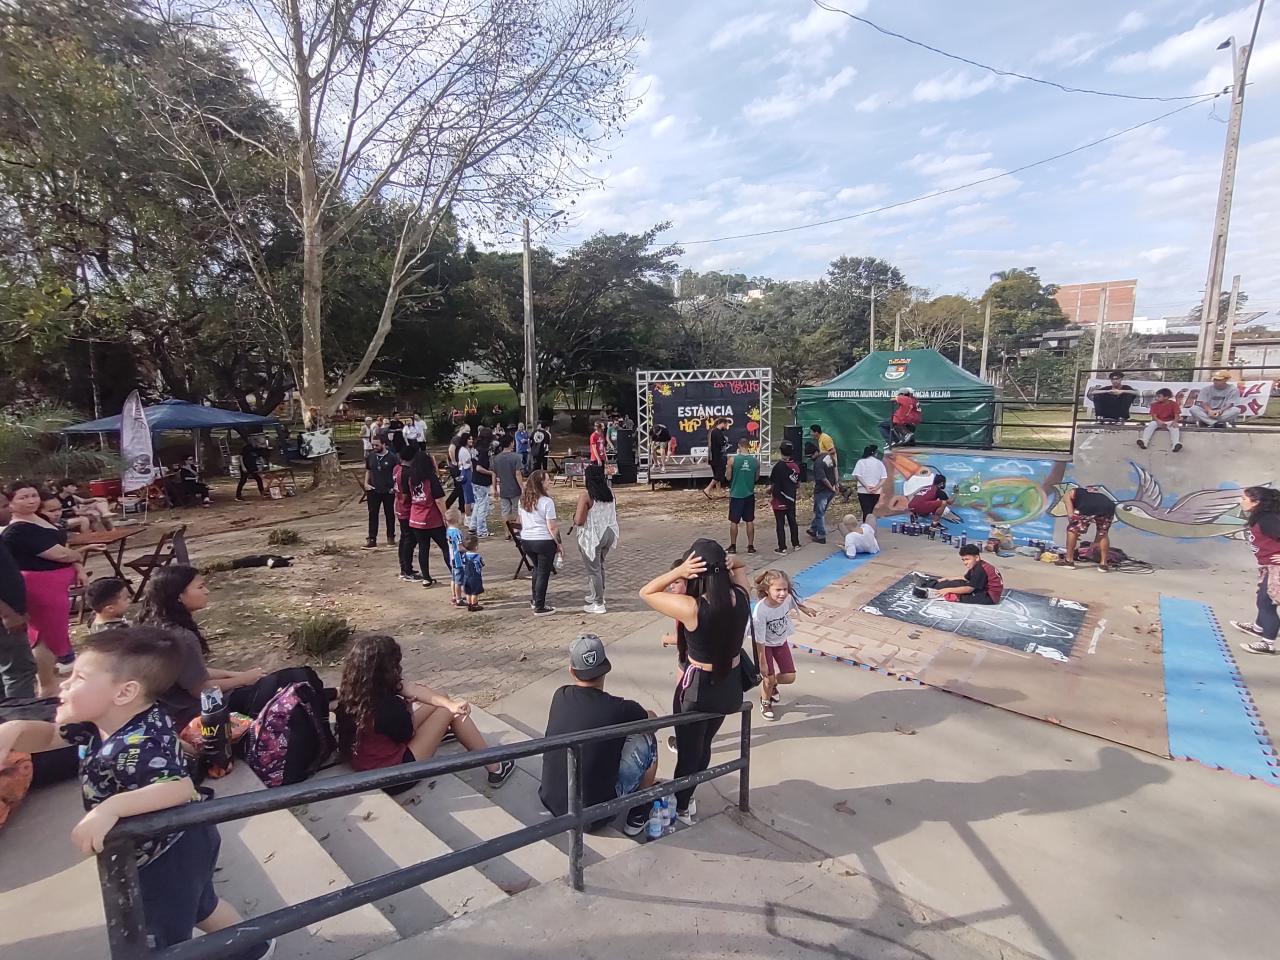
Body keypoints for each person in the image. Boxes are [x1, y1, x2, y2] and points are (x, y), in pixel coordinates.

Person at [0, 627, 275, 960]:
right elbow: (48, 740)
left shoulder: (139, 743)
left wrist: (110, 808)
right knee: (203, 905)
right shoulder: (105, 719)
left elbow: (177, 786)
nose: (64, 684)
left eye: (79, 677)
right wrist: (15, 730)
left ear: (124, 692)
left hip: (165, 856)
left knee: (156, 936)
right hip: (184, 838)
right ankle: (255, 948)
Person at [639, 539, 750, 824]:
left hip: (697, 688)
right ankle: (688, 796)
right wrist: (732, 561)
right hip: (728, 687)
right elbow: (742, 566)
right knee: (704, 745)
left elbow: (647, 592)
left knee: (688, 753)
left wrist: (678, 572)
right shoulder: (741, 596)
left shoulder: (693, 608)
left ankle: (682, 806)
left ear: (694, 572)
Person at [334, 634, 515, 793]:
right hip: (395, 776)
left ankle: (447, 725)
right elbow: (408, 733)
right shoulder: (390, 707)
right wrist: (409, 708)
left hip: (364, 760)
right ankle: (496, 766)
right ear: (387, 670)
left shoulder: (352, 691)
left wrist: (449, 703)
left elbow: (410, 688)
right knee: (449, 713)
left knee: (444, 700)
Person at [539, 634, 659, 837]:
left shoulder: (560, 695)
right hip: (594, 818)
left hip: (553, 802)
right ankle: (641, 811)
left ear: (571, 671)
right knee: (647, 739)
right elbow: (653, 721)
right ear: (606, 669)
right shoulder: (620, 708)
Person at [135, 566, 266, 726]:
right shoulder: (182, 637)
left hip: (164, 709)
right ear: (179, 596)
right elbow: (200, 691)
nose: (207, 591)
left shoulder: (155, 625)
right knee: (272, 689)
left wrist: (231, 674)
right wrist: (243, 680)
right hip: (191, 713)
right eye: (200, 587)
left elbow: (190, 671)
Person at [2, 480, 90, 696]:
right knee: (45, 635)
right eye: (23, 497)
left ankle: (52, 676)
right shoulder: (17, 530)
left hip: (57, 585)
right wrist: (77, 555)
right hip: (40, 586)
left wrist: (77, 564)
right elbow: (59, 553)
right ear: (12, 503)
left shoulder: (41, 519)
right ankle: (46, 684)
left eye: (33, 495)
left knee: (56, 630)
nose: (31, 500)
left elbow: (65, 549)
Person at [749, 570, 815, 721]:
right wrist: (762, 662)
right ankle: (765, 702)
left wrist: (805, 609)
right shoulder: (760, 611)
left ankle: (772, 684)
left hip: (780, 641)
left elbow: (794, 602)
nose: (782, 593)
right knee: (767, 677)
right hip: (764, 646)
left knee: (790, 676)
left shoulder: (787, 598)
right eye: (778, 590)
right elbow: (759, 640)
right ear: (767, 590)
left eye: (785, 589)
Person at [1230, 486, 1280, 655]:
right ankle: (1258, 627)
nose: (1240, 501)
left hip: (1277, 568)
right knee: (1262, 599)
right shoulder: (1260, 516)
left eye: (1244, 498)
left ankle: (1267, 644)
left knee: (1267, 603)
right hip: (1268, 566)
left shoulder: (1268, 520)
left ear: (1256, 502)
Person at [0, 490, 37, 699]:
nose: (10, 509)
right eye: (5, 506)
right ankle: (21, 720)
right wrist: (8, 614)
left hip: (12, 612)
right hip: (5, 618)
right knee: (19, 671)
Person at [574, 463, 620, 614]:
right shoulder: (610, 493)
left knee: (593, 570)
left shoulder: (586, 495)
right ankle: (597, 595)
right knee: (599, 566)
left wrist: (574, 517)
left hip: (594, 535)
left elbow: (579, 520)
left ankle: (599, 603)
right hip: (609, 532)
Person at [518, 470, 562, 616]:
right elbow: (552, 526)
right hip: (543, 540)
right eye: (547, 480)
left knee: (537, 569)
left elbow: (521, 521)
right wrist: (559, 543)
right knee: (543, 572)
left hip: (527, 540)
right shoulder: (547, 502)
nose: (549, 482)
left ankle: (535, 599)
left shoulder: (523, 499)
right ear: (540, 483)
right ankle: (540, 605)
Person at [405, 451, 449, 587]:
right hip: (432, 519)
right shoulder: (431, 479)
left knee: (423, 548)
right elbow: (439, 500)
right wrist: (445, 517)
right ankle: (455, 573)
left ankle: (426, 578)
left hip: (416, 519)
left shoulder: (411, 478)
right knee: (445, 547)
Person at [1059, 484, 1116, 572]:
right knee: (1103, 533)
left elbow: (1071, 516)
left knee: (1072, 530)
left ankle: (1069, 560)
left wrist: (1076, 531)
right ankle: (1103, 564)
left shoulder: (1067, 495)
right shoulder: (1087, 494)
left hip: (1088, 507)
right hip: (1109, 506)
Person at [928, 543, 1004, 604]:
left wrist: (948, 590)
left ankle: (935, 595)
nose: (965, 563)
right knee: (956, 583)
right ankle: (928, 583)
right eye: (963, 560)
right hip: (983, 589)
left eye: (967, 559)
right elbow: (964, 578)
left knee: (960, 595)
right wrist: (946, 579)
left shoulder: (980, 569)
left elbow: (969, 589)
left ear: (977, 557)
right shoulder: (977, 565)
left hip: (989, 597)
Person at [392, 447, 421, 582]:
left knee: (404, 538)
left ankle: (404, 567)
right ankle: (407, 570)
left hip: (399, 507)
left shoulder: (397, 468)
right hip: (406, 509)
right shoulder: (407, 473)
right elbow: (406, 494)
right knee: (409, 540)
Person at [363, 435, 397, 549]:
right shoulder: (371, 456)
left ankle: (391, 537)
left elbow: (397, 473)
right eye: (373, 445)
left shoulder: (392, 457)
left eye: (377, 445)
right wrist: (366, 484)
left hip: (388, 490)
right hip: (373, 490)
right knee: (373, 514)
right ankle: (372, 539)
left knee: (390, 514)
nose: (374, 447)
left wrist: (395, 486)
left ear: (384, 444)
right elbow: (368, 470)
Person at [726, 437, 759, 555]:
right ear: (748, 446)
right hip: (749, 494)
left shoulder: (732, 460)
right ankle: (750, 546)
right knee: (749, 520)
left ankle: (733, 545)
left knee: (734, 521)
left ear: (739, 446)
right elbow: (756, 478)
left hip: (736, 494)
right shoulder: (755, 461)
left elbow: (728, 477)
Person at [769, 440, 802, 555]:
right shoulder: (795, 467)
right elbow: (797, 483)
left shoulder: (778, 467)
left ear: (781, 451)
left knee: (780, 524)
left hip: (779, 499)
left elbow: (773, 484)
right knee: (792, 521)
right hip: (791, 499)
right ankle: (796, 543)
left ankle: (782, 547)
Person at [492, 434, 526, 534]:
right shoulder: (516, 457)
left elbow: (494, 475)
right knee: (517, 510)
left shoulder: (496, 458)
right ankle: (516, 531)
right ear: (511, 443)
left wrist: (494, 489)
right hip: (515, 489)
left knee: (505, 511)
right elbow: (518, 473)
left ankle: (507, 533)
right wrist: (522, 488)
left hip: (503, 489)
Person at [806, 443, 839, 545]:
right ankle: (813, 528)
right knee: (821, 511)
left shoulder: (818, 463)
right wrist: (836, 483)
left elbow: (823, 479)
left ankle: (821, 535)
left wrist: (831, 487)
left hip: (822, 491)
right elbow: (835, 469)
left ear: (816, 452)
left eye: (811, 455)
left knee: (819, 513)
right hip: (831, 489)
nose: (810, 458)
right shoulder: (828, 457)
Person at [1138, 388, 1183, 452]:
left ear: (1166, 397)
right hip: (1158, 421)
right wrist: (1158, 421)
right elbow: (1154, 415)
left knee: (1175, 428)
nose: (1156, 398)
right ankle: (1144, 441)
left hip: (1170, 421)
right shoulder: (1154, 405)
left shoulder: (1173, 404)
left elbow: (1176, 414)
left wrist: (1175, 422)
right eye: (1156, 396)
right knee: (1151, 425)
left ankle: (1175, 444)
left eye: (1159, 396)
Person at [469, 428, 495, 538]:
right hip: (482, 481)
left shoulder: (475, 448)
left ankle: (473, 526)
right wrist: (490, 473)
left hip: (475, 479)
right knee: (482, 507)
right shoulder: (483, 451)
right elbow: (479, 468)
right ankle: (482, 530)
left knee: (477, 504)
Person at [852, 444, 888, 521]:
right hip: (876, 491)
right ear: (875, 453)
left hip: (863, 490)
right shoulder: (879, 463)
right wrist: (876, 487)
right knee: (871, 511)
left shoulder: (861, 462)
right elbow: (884, 478)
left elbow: (857, 475)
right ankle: (869, 527)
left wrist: (866, 486)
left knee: (866, 510)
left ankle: (865, 527)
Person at [703, 418, 730, 499]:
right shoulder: (717, 432)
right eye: (726, 425)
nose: (726, 427)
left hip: (713, 457)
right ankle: (707, 489)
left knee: (717, 474)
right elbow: (722, 443)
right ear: (722, 423)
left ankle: (719, 491)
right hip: (718, 457)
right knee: (719, 475)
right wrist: (726, 441)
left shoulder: (712, 431)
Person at [445, 508, 467, 607]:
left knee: (453, 579)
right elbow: (459, 547)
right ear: (458, 520)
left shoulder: (448, 531)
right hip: (458, 560)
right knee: (459, 580)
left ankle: (454, 596)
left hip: (452, 558)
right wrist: (468, 549)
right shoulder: (457, 532)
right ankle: (459, 599)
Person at [234, 437, 266, 501]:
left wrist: (262, 464)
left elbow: (260, 457)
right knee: (243, 480)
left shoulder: (258, 449)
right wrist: (243, 467)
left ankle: (262, 492)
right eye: (259, 443)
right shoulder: (247, 448)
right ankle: (238, 495)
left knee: (258, 479)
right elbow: (240, 457)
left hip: (253, 466)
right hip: (245, 466)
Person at [460, 531, 485, 612]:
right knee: (475, 592)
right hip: (475, 577)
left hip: (466, 576)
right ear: (476, 547)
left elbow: (462, 564)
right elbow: (481, 564)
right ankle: (474, 605)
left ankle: (469, 604)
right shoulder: (477, 556)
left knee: (468, 592)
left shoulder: (464, 555)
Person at [457, 432, 476, 523]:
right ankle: (467, 518)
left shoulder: (468, 449)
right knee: (468, 496)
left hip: (468, 472)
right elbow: (466, 464)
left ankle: (470, 515)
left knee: (470, 495)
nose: (471, 440)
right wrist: (472, 461)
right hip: (466, 472)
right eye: (469, 439)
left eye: (472, 439)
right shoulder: (463, 450)